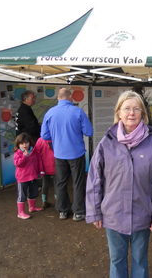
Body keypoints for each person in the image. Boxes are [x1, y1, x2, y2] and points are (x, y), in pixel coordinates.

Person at [86, 90, 152, 278]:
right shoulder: (106, 143)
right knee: (117, 260)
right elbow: (94, 178)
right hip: (113, 215)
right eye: (127, 108)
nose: (131, 113)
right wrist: (94, 210)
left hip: (142, 215)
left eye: (136, 109)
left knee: (140, 260)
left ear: (143, 114)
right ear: (119, 113)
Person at [41, 88, 93, 221]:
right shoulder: (78, 111)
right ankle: (78, 212)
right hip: (76, 154)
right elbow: (89, 132)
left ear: (58, 98)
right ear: (70, 97)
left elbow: (44, 135)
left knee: (61, 183)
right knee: (78, 182)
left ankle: (63, 211)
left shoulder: (50, 113)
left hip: (59, 154)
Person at [13, 132, 44, 220]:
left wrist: (41, 171)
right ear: (18, 144)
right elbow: (18, 164)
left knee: (33, 192)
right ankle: (20, 212)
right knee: (22, 194)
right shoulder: (18, 153)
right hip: (22, 178)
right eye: (22, 143)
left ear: (30, 142)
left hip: (33, 176)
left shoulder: (34, 151)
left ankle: (32, 207)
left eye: (26, 143)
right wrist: (24, 156)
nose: (25, 145)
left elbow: (39, 161)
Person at [34, 137, 56, 209]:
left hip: (44, 167)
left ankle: (44, 202)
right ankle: (58, 201)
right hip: (55, 166)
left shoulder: (40, 140)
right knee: (57, 184)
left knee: (45, 184)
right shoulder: (56, 137)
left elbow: (36, 153)